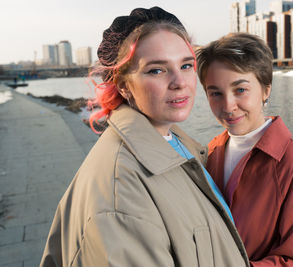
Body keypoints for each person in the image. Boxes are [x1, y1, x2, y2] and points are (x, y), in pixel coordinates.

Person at [40, 7, 249, 267]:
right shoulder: (120, 195)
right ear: (124, 85)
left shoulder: (175, 145)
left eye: (185, 65)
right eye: (157, 70)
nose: (179, 82)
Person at [196, 32, 293, 266]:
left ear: (266, 90)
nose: (228, 106)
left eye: (240, 90)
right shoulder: (213, 150)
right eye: (215, 93)